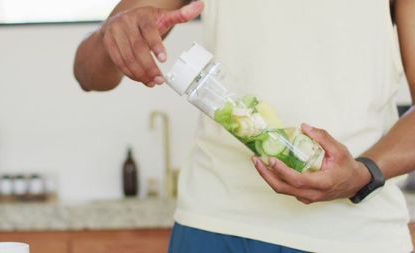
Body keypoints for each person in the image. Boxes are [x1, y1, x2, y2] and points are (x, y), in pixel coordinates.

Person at [73, 0, 415, 252]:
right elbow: (88, 72)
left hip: (353, 236)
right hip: (213, 224)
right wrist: (112, 36)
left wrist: (363, 173)